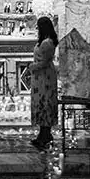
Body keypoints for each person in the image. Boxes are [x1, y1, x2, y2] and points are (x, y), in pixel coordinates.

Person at [25, 16, 59, 148]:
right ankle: (43, 134)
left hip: (45, 77)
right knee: (40, 102)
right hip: (40, 77)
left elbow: (44, 62)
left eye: (38, 26)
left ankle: (45, 135)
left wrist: (32, 67)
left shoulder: (48, 43)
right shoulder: (44, 41)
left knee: (45, 102)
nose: (37, 28)